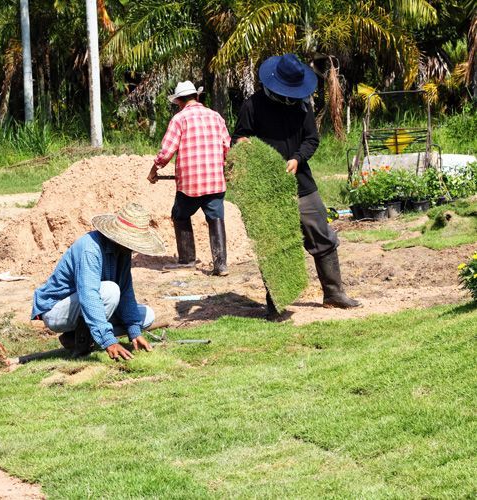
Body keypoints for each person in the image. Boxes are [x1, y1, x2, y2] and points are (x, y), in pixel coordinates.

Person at [231, 53, 361, 316]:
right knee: (275, 244)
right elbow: (240, 137)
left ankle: (334, 293)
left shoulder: (302, 106)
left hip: (302, 182)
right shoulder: (252, 105)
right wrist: (243, 145)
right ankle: (275, 304)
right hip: (267, 188)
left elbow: (312, 139)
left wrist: (297, 159)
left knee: (322, 236)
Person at [31, 203, 165, 360]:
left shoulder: (123, 251)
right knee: (110, 291)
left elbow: (126, 291)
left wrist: (134, 331)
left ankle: (77, 337)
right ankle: (84, 338)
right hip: (55, 311)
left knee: (147, 316)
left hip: (87, 305)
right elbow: (89, 295)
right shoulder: (90, 249)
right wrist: (108, 341)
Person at [148, 80, 231, 276]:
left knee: (180, 215)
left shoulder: (180, 119)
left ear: (179, 101)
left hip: (190, 183)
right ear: (197, 96)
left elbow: (167, 151)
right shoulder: (216, 117)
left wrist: (154, 170)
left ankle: (187, 260)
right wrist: (224, 165)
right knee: (216, 218)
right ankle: (221, 265)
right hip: (215, 181)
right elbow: (226, 146)